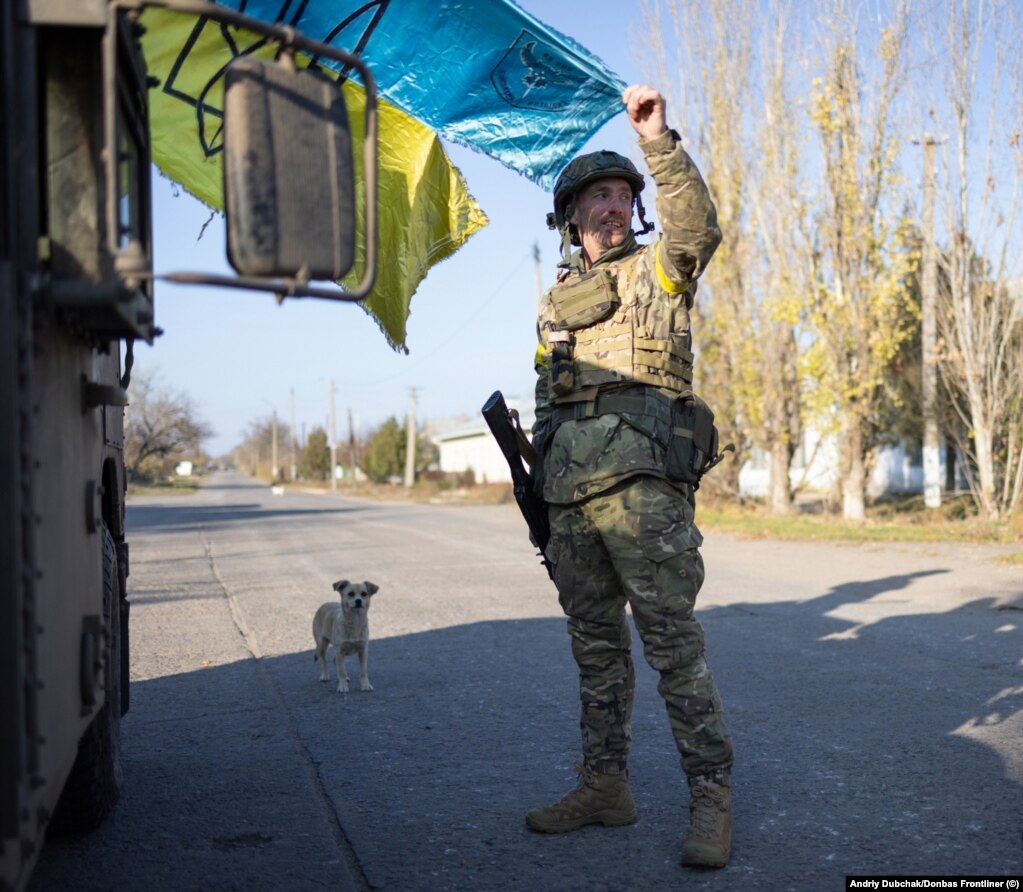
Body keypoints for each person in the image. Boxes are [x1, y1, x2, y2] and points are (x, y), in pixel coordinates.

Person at [526, 84, 734, 869]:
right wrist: (543, 504)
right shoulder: (551, 305)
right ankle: (603, 787)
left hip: (644, 493)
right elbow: (550, 407)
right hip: (570, 504)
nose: (612, 207)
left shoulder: (660, 272)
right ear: (571, 217)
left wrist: (656, 142)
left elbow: (698, 227)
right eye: (597, 197)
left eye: (622, 196)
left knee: (672, 647)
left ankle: (710, 797)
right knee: (595, 652)